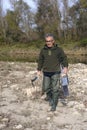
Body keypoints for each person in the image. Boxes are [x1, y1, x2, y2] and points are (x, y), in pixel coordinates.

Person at [37, 33, 68, 111]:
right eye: (47, 41)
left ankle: (54, 104)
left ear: (53, 41)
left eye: (50, 41)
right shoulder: (43, 50)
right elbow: (40, 60)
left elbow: (64, 58)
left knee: (55, 89)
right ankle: (50, 98)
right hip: (46, 72)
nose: (48, 42)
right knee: (46, 88)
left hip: (56, 72)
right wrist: (39, 69)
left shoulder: (59, 50)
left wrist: (65, 67)